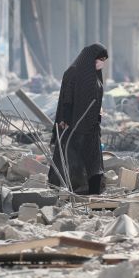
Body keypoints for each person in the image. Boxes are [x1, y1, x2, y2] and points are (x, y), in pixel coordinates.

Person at [49, 43, 108, 195]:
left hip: (92, 126)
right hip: (73, 124)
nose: (102, 63)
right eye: (100, 59)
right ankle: (70, 188)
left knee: (93, 159)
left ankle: (93, 190)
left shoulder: (95, 75)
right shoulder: (73, 73)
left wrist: (99, 113)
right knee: (71, 157)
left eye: (104, 60)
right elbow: (66, 98)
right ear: (90, 58)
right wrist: (65, 118)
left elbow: (96, 98)